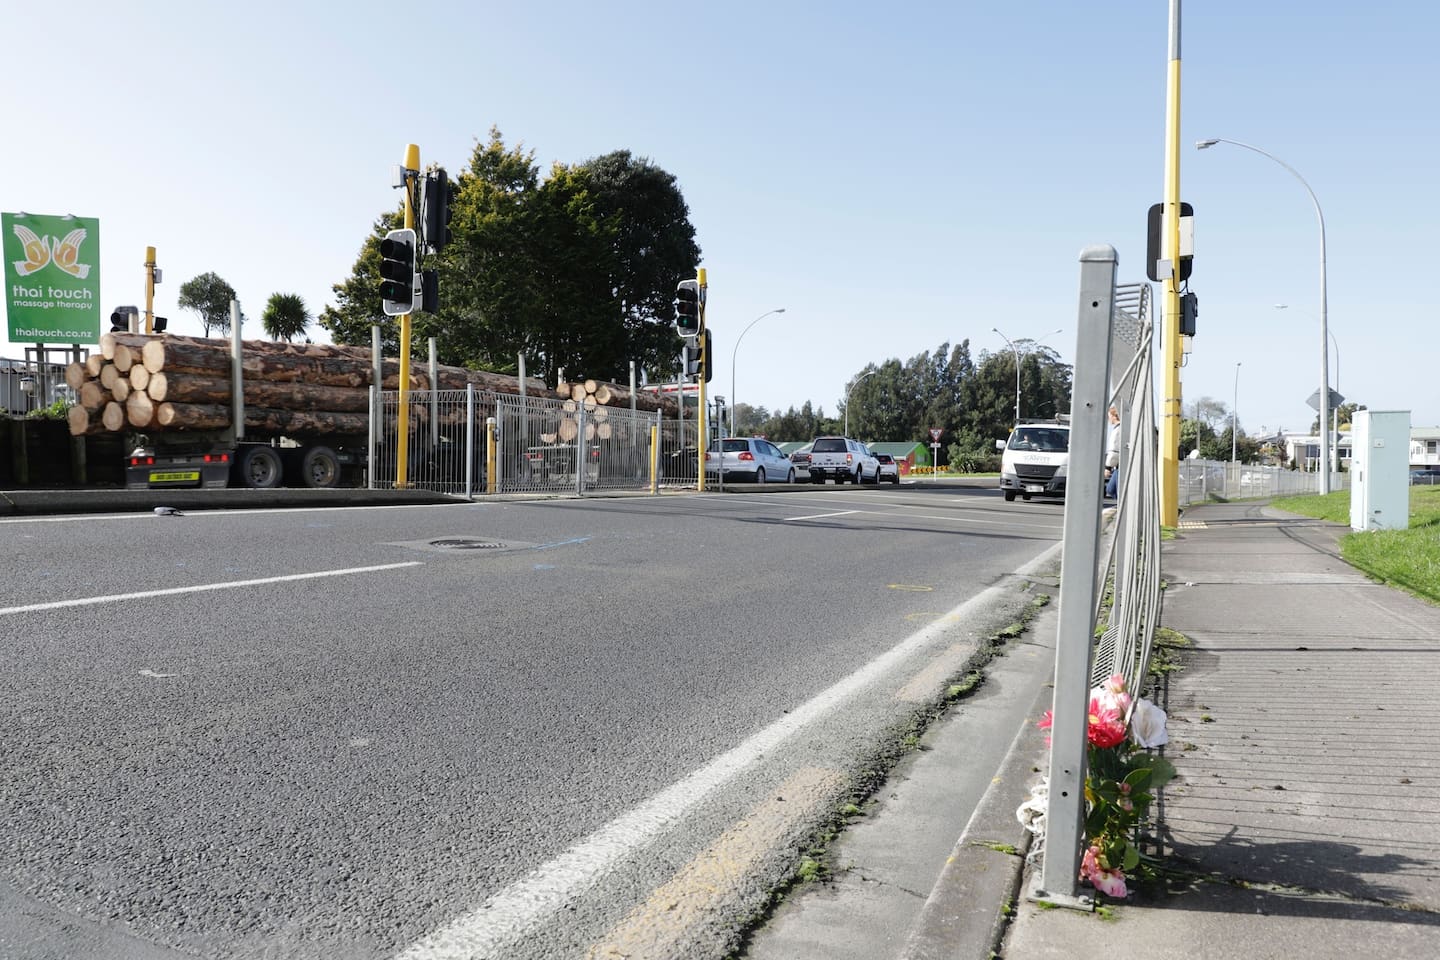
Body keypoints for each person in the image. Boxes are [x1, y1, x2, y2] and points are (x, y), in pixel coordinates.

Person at [1105, 406, 1121, 498]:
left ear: (1114, 416)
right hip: (1119, 465)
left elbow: (1114, 450)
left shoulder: (1117, 431)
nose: (1109, 419)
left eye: (1109, 416)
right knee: (1112, 489)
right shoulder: (1121, 428)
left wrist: (1108, 467)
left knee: (1112, 489)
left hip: (1119, 465)